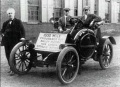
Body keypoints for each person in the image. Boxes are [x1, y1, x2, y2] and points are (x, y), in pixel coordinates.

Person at [1, 8, 25, 75]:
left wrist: (23, 37)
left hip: (14, 41)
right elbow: (2, 30)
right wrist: (2, 34)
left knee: (12, 55)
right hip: (7, 42)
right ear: (7, 15)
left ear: (14, 14)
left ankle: (13, 69)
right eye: (9, 13)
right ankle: (11, 68)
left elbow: (22, 30)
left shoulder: (18, 22)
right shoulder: (5, 23)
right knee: (7, 55)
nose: (10, 15)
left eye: (11, 13)